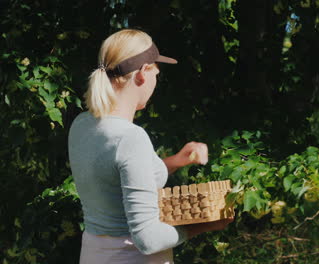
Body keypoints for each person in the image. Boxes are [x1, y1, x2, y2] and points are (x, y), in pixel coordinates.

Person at [68, 29, 233, 264]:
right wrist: (205, 224)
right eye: (157, 73)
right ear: (144, 73)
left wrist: (177, 160)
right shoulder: (130, 137)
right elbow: (149, 240)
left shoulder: (82, 124)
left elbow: (120, 181)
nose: (156, 82)